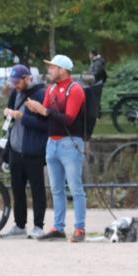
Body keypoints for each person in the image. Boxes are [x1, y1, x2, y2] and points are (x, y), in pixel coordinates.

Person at [25, 54, 87, 243]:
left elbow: (69, 118)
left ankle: (79, 228)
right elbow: (46, 117)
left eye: (52, 67)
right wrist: (37, 109)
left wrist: (44, 111)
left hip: (70, 142)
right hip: (52, 142)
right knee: (56, 189)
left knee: (75, 188)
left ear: (62, 70)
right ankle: (58, 227)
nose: (49, 70)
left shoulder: (74, 89)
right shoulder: (51, 89)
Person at [0, 64, 47, 239]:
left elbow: (45, 124)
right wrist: (8, 114)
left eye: (18, 82)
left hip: (33, 150)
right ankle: (19, 225)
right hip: (15, 149)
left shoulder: (41, 94)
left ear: (27, 78)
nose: (15, 86)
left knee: (37, 189)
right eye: (13, 82)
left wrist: (22, 117)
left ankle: (39, 225)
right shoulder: (15, 93)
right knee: (17, 189)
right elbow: (10, 119)